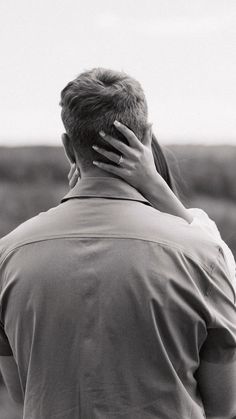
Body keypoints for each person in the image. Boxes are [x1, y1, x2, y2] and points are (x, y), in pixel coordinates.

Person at [0, 68, 235, 419]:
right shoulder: (202, 256)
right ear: (146, 136)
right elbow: (225, 403)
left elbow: (22, 390)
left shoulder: (9, 255)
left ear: (68, 146)